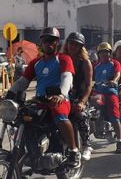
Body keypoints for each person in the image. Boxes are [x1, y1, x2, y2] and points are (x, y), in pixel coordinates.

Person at [8, 27, 81, 168]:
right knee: (21, 117)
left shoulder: (64, 59)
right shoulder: (36, 62)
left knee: (59, 114)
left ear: (57, 43)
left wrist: (61, 94)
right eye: (46, 41)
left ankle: (74, 151)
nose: (49, 44)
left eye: (52, 41)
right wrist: (8, 95)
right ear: (41, 43)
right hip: (40, 100)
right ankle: (23, 154)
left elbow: (67, 78)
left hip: (60, 99)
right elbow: (22, 81)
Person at [63, 32, 93, 160]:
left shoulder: (85, 63)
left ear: (81, 47)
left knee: (80, 114)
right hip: (64, 95)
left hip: (80, 97)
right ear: (67, 44)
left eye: (77, 45)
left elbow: (88, 85)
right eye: (71, 43)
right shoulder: (62, 59)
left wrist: (82, 102)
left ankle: (87, 144)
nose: (73, 46)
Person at [93, 42, 121, 153]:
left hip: (110, 91)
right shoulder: (96, 66)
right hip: (98, 92)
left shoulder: (115, 63)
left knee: (114, 115)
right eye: (102, 52)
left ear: (110, 53)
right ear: (98, 53)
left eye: (106, 52)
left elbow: (118, 74)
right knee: (89, 111)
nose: (104, 54)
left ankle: (120, 141)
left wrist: (114, 81)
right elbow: (90, 77)